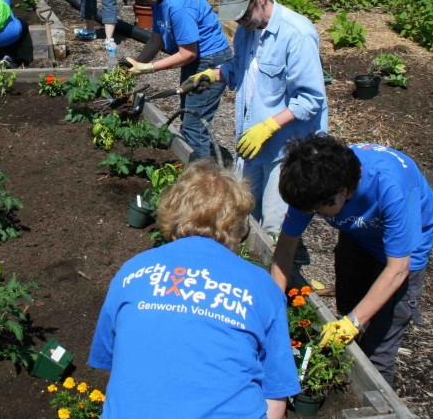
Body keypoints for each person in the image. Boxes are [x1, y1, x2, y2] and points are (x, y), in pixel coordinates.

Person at [89, 160, 300, 419]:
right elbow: (275, 395)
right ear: (238, 224)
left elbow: (116, 363)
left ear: (172, 211)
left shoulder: (132, 272)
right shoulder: (261, 286)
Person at [271, 135, 433, 387]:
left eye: (317, 212)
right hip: (359, 233)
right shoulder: (309, 179)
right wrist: (274, 305)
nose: (312, 216)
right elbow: (285, 248)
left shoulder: (392, 187)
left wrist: (353, 323)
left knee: (377, 353)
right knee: (348, 305)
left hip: (403, 252)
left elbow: (398, 268)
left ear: (342, 193)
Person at [186, 0, 328, 235]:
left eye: (244, 14)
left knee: (274, 227)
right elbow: (241, 69)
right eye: (236, 18)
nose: (241, 22)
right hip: (252, 141)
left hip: (286, 150)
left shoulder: (296, 34)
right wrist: (213, 75)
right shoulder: (247, 30)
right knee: (243, 214)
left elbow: (311, 99)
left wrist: (269, 126)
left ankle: (278, 270)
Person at [119, 0, 232, 161]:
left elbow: (188, 53)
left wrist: (149, 68)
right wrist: (136, 65)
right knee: (188, 115)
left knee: (194, 125)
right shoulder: (159, 0)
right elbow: (156, 39)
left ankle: (203, 182)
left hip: (210, 61)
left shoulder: (177, 4)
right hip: (197, 60)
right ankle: (195, 168)